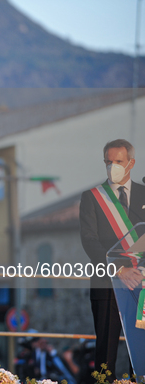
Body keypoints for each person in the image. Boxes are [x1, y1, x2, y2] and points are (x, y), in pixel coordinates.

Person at [79, 139, 145, 379]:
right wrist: (119, 269)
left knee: (140, 352)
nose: (112, 167)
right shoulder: (92, 197)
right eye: (108, 162)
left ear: (131, 163)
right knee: (106, 352)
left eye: (118, 161)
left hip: (142, 284)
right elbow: (89, 240)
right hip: (108, 285)